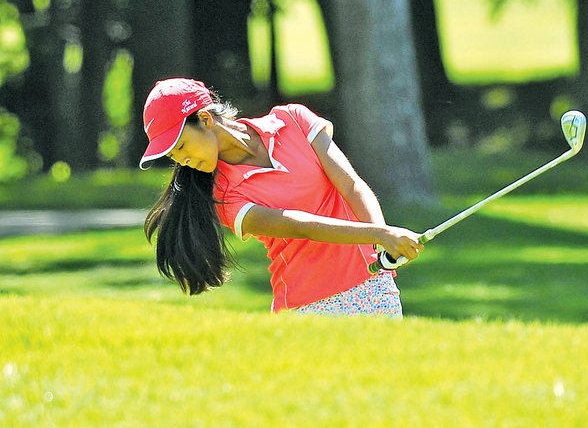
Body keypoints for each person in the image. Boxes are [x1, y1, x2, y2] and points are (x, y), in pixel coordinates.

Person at [139, 77, 423, 316]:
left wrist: (382, 241)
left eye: (182, 146)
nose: (183, 160)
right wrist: (382, 234)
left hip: (373, 283)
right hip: (308, 305)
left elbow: (351, 186)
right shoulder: (222, 195)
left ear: (204, 119)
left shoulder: (293, 119)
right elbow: (301, 226)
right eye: (174, 155)